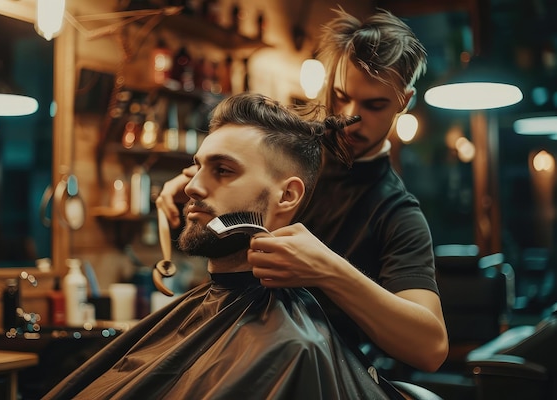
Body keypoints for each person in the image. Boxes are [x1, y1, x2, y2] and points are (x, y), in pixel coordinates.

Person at [43, 92, 408, 399]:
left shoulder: (293, 347)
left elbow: (429, 346)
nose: (191, 187)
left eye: (223, 170)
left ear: (287, 195)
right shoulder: (214, 309)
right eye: (197, 166)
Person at [156, 7, 448, 374]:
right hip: (237, 355)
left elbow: (431, 347)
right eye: (340, 96)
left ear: (403, 102)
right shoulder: (286, 156)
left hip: (317, 375)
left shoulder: (396, 213)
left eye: (374, 105)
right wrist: (201, 178)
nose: (350, 117)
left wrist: (329, 271)